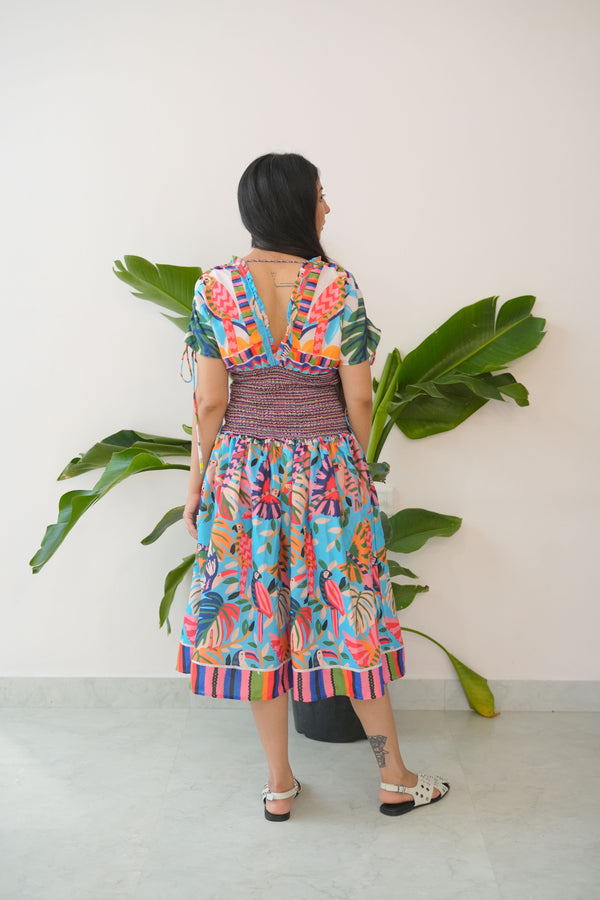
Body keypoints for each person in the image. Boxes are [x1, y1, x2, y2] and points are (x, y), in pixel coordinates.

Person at [176, 152, 449, 821]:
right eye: (321, 196)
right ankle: (393, 778)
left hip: (242, 475)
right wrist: (353, 463)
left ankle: (278, 784)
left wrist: (197, 482)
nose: (328, 206)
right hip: (327, 473)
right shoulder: (337, 287)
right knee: (351, 618)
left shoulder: (214, 287)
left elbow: (210, 402)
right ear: (297, 206)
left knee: (257, 622)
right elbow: (359, 397)